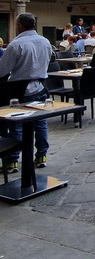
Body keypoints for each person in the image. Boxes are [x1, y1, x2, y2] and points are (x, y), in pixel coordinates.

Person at [0, 13, 52, 171]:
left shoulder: (16, 44)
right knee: (40, 122)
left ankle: (12, 160)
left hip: (20, 89)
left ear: (20, 26)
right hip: (41, 86)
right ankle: (41, 155)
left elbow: (3, 70)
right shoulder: (45, 41)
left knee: (17, 125)